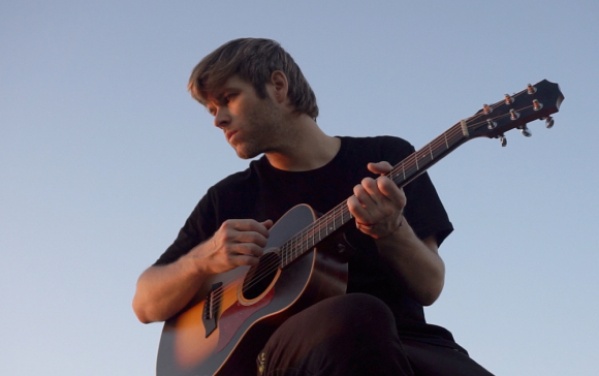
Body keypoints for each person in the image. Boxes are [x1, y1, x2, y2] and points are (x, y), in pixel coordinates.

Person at [132, 37, 493, 376]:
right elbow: (145, 303)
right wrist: (204, 259)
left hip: (407, 342)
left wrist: (391, 230)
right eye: (212, 109)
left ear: (277, 86)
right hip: (277, 358)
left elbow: (430, 285)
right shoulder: (228, 198)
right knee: (355, 315)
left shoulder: (386, 159)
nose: (218, 119)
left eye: (228, 98)